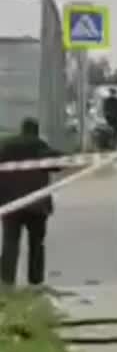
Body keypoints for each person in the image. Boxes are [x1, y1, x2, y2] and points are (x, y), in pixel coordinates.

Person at [0, 119, 62, 287]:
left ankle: (6, 280)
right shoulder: (40, 145)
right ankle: (35, 281)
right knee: (36, 244)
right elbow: (57, 165)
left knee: (10, 242)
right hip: (37, 203)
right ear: (36, 131)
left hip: (10, 203)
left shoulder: (6, 146)